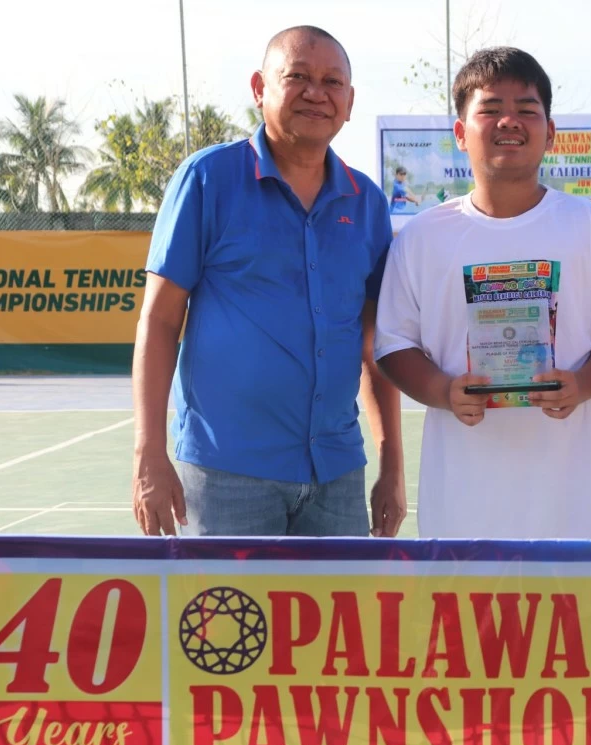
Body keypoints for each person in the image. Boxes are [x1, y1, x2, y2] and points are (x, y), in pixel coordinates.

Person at [131, 25, 405, 538]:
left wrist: (391, 467)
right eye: (297, 76)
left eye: (332, 82)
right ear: (260, 88)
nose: (316, 93)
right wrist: (149, 453)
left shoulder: (367, 202)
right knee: (225, 597)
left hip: (338, 475)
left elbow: (372, 346)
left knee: (342, 597)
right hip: (226, 475)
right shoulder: (207, 179)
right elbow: (160, 320)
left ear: (349, 102)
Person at [374, 47, 591, 539]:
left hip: (575, 508)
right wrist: (443, 391)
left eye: (526, 109)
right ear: (460, 133)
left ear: (550, 132)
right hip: (462, 507)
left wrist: (581, 384)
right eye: (491, 109)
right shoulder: (421, 236)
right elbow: (394, 345)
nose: (509, 121)